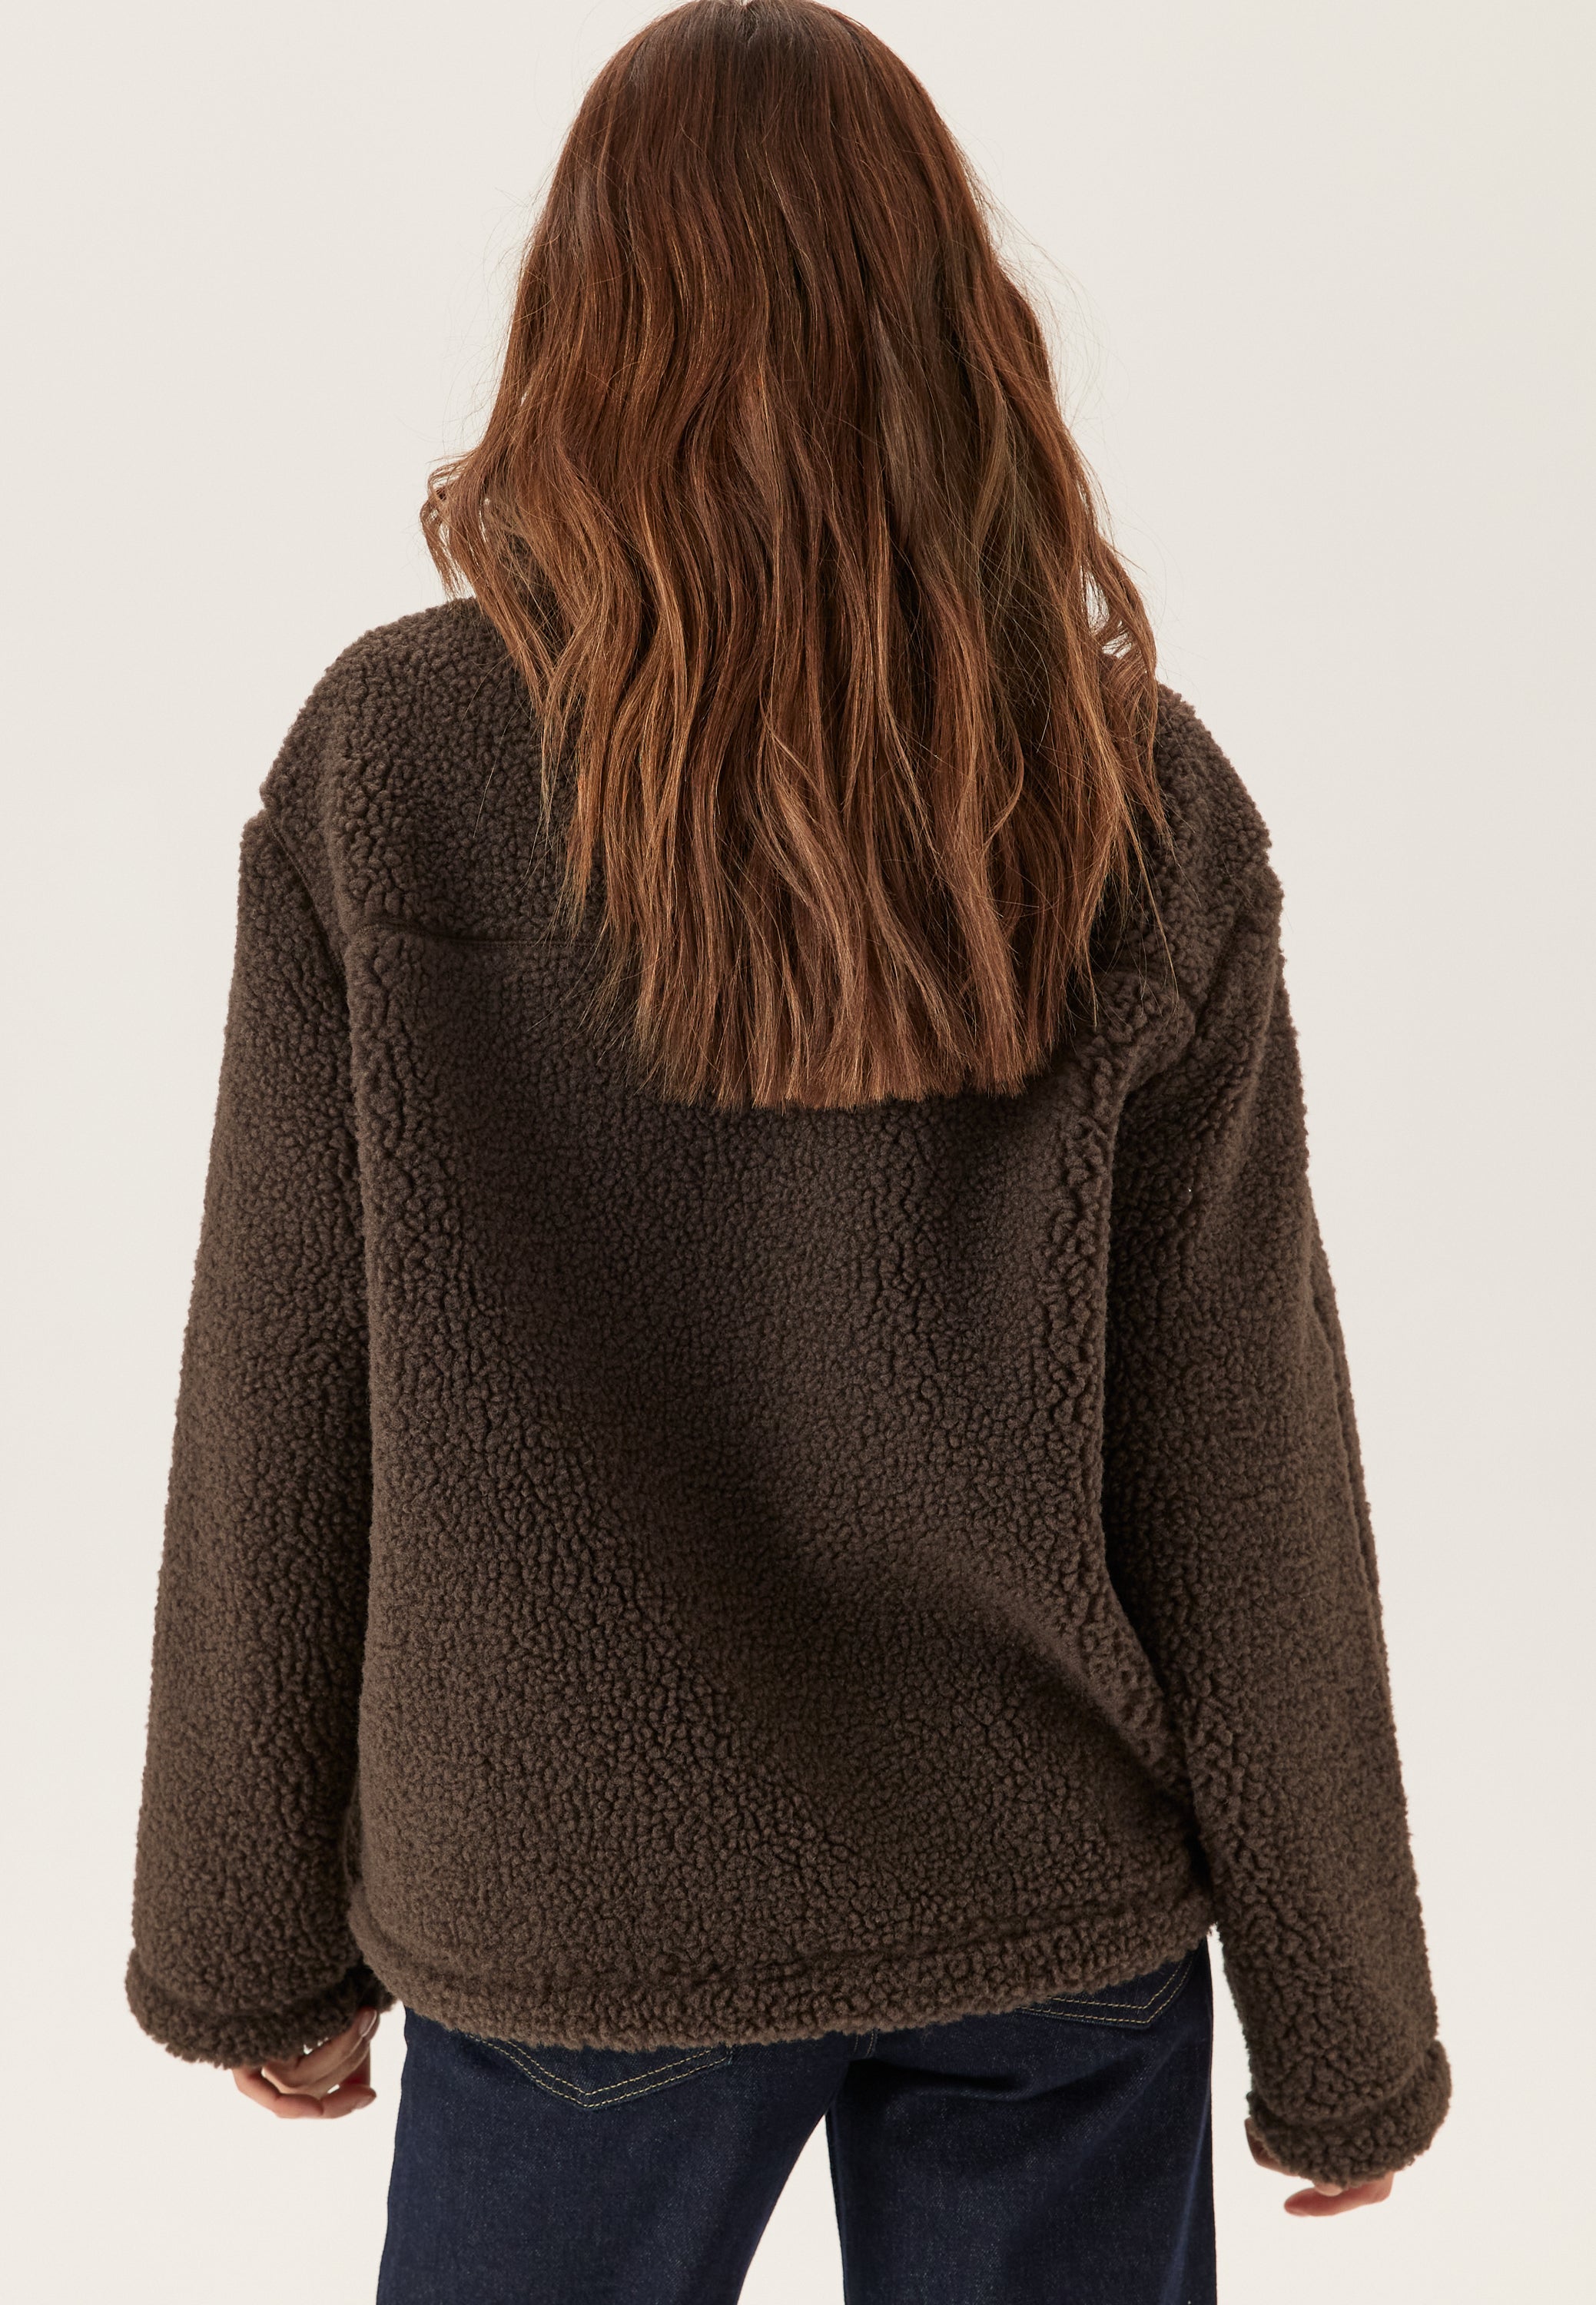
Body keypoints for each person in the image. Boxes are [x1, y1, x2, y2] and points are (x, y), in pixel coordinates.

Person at [124, 4, 1450, 2298]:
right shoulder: (1126, 789)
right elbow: (1244, 1457)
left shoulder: (400, 757)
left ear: (582, 317)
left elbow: (281, 1378)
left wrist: (246, 1933)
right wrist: (1349, 2024)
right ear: (952, 324)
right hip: (1043, 1900)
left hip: (573, 1909)